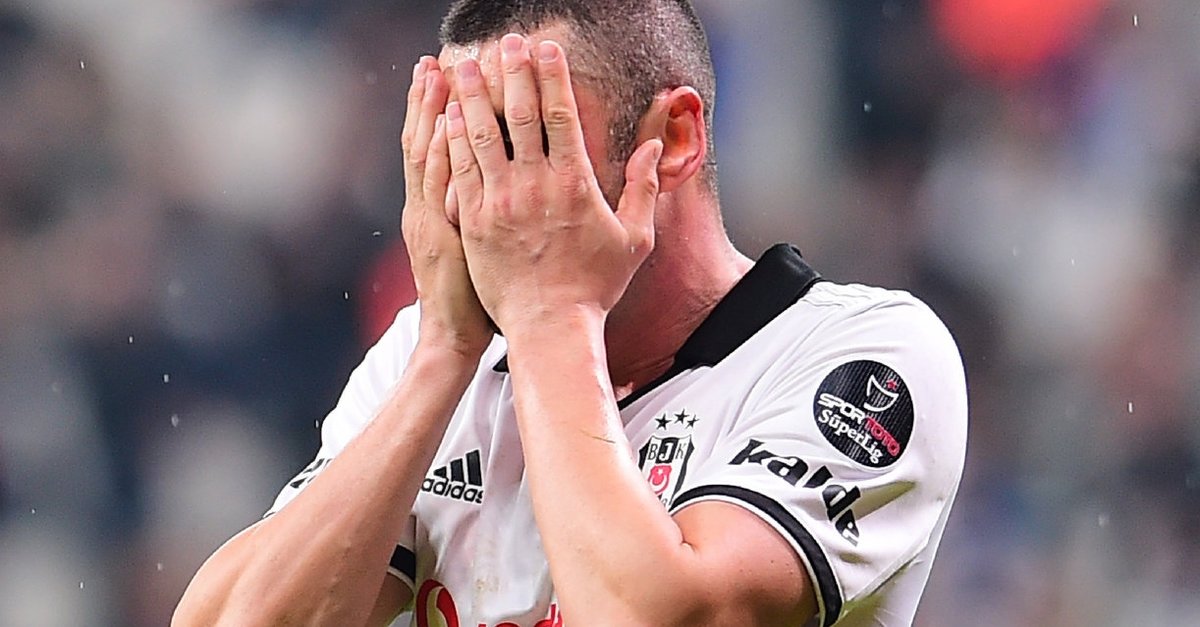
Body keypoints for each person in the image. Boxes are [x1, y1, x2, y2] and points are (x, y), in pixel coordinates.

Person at [172, 1, 967, 625]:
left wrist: (552, 316)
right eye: (461, 149)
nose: (483, 199)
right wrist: (442, 354)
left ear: (674, 139)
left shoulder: (864, 357)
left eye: (522, 139)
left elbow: (653, 617)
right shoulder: (436, 357)